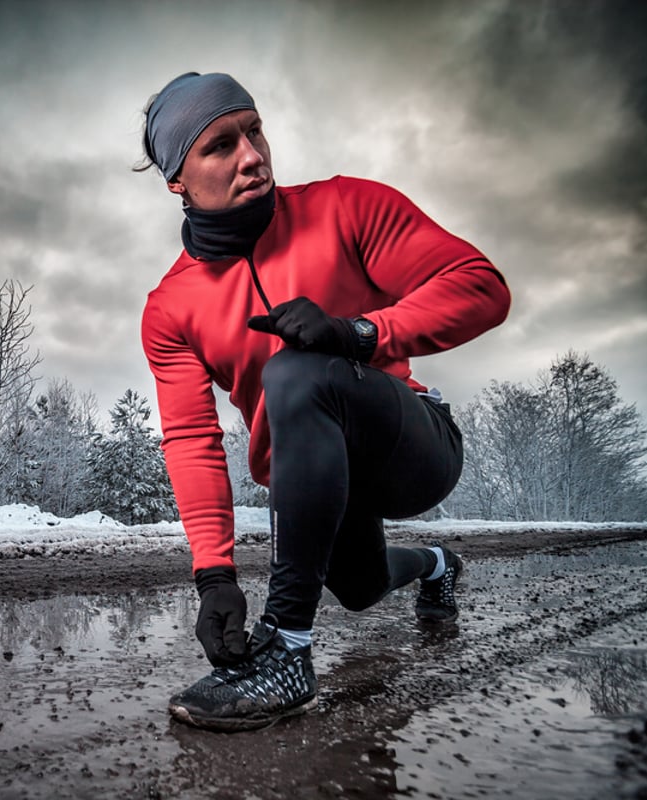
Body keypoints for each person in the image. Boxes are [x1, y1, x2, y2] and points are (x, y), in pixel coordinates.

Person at [137, 72, 511, 732]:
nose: (251, 154)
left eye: (254, 130)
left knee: (296, 371)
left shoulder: (346, 207)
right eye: (220, 146)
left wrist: (361, 332)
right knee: (362, 587)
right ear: (177, 180)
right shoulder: (171, 308)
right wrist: (213, 577)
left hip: (411, 446)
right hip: (311, 474)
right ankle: (437, 566)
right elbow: (192, 440)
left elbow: (480, 286)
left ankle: (286, 651)